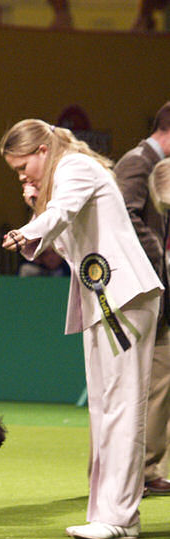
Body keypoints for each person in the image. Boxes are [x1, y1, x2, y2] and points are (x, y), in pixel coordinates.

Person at [0, 119, 162, 539]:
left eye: (22, 168)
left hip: (124, 295)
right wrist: (35, 204)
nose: (21, 176)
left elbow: (60, 214)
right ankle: (108, 515)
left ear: (41, 151)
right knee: (105, 408)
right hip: (105, 297)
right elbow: (59, 242)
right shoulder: (64, 177)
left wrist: (26, 227)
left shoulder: (74, 167)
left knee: (122, 406)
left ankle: (119, 517)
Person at [114, 101, 170, 496]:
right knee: (139, 383)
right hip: (139, 290)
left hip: (153, 288)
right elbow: (124, 216)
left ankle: (147, 468)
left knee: (161, 378)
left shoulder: (153, 165)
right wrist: (158, 257)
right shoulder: (138, 162)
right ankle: (133, 473)